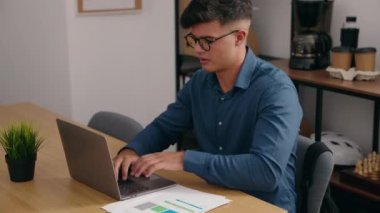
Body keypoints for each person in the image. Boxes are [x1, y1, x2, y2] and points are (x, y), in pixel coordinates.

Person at [113, 0, 302, 212]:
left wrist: (185, 160)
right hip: (212, 198)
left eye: (207, 41)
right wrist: (132, 150)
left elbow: (265, 172)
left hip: (262, 205)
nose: (197, 49)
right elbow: (164, 128)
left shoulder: (276, 90)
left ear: (239, 37)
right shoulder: (200, 82)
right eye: (194, 39)